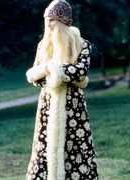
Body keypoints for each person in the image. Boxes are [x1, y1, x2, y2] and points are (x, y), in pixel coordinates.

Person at [25, 0, 98, 179]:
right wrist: (53, 70)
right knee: (44, 148)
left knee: (76, 147)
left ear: (63, 22)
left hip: (74, 107)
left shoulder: (82, 44)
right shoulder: (44, 46)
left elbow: (81, 71)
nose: (49, 25)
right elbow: (35, 76)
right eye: (47, 20)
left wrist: (55, 71)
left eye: (52, 20)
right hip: (47, 106)